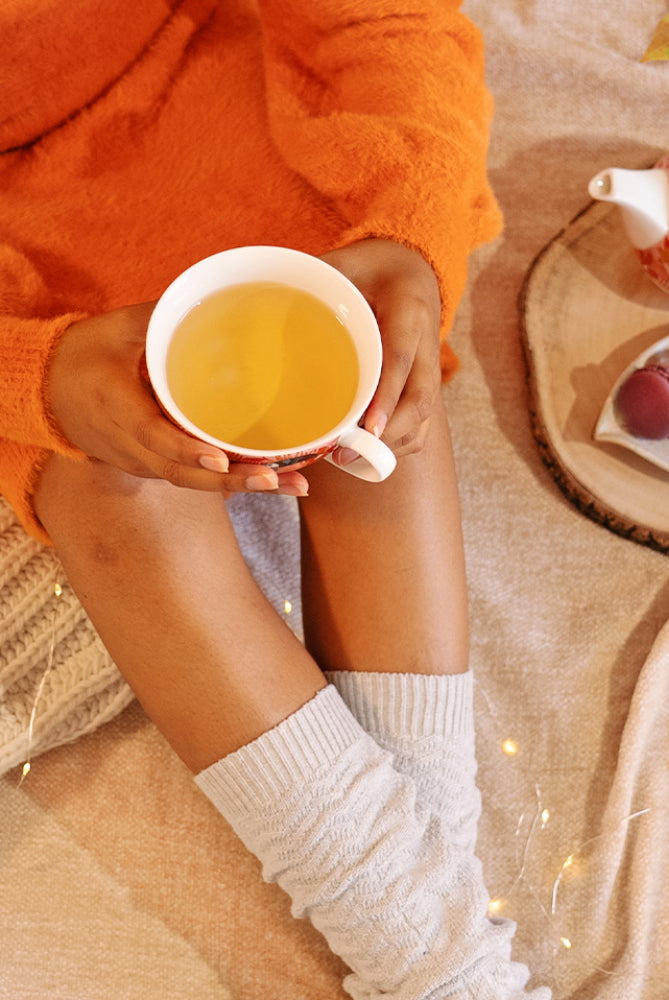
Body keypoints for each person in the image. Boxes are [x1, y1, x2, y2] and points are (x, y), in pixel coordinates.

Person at [0, 1, 549, 997]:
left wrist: (412, 234)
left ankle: (436, 959)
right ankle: (443, 963)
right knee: (108, 493)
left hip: (225, 97)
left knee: (368, 382)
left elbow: (391, 24)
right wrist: (33, 372)